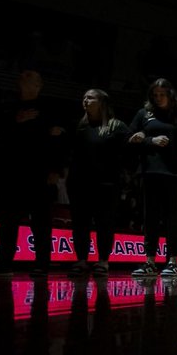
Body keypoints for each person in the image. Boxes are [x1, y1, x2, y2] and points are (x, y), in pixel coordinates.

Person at [0, 70, 66, 276]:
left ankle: (42, 264)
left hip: (39, 173)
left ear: (38, 85)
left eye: (30, 76)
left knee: (41, 222)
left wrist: (55, 170)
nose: (24, 76)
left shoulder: (49, 109)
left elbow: (59, 140)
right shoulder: (8, 108)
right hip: (12, 173)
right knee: (8, 220)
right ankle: (4, 262)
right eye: (22, 74)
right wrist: (17, 121)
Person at [128, 78, 177, 277]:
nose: (159, 98)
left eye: (162, 94)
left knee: (173, 219)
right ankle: (149, 261)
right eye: (155, 95)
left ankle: (173, 261)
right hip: (150, 173)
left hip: (174, 174)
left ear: (171, 94)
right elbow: (129, 137)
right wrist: (149, 139)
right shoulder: (144, 115)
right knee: (150, 218)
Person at [66, 89, 129, 276]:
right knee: (80, 223)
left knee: (105, 223)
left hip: (106, 185)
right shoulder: (79, 126)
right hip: (79, 183)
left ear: (102, 103)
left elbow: (129, 149)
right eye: (84, 97)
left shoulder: (116, 126)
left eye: (90, 98)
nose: (85, 100)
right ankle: (81, 260)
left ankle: (103, 261)